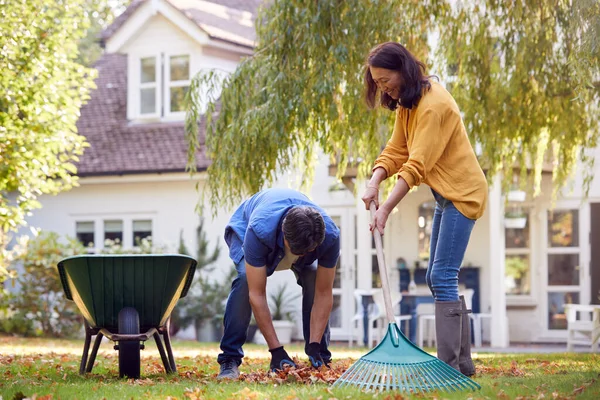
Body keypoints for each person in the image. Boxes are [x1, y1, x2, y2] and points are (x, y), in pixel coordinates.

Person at [360, 42, 487, 376]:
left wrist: (386, 208)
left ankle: (448, 368)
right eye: (377, 83)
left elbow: (416, 166)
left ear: (403, 69)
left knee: (442, 275)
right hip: (446, 195)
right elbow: (396, 149)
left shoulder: (433, 105)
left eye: (386, 80)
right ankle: (462, 363)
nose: (382, 87)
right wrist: (375, 180)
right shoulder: (408, 104)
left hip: (464, 193)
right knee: (436, 277)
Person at [216, 188, 340, 380]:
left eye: (309, 251)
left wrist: (314, 345)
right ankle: (229, 359)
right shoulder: (258, 231)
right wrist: (276, 351)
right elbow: (257, 295)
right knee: (245, 281)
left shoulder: (330, 235)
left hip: (296, 233)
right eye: (298, 251)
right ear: (284, 235)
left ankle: (319, 355)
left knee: (313, 277)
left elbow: (324, 293)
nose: (302, 256)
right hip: (247, 227)